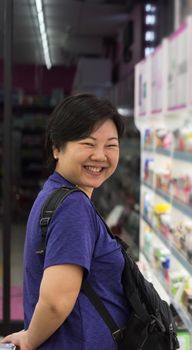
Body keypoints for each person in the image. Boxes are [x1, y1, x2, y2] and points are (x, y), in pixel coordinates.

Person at [1, 94, 130, 349]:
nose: (100, 156)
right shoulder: (73, 206)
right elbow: (55, 302)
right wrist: (29, 339)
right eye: (88, 143)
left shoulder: (54, 192)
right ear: (57, 147)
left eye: (111, 145)